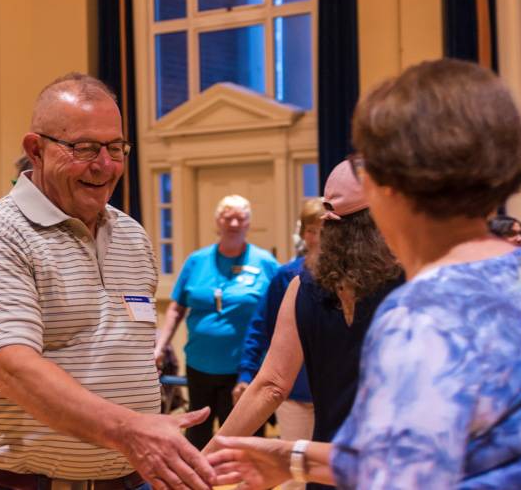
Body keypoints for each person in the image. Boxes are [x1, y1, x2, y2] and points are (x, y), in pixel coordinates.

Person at [207, 59, 521, 488]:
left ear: (394, 186)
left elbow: (398, 476)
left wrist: (287, 457)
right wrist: (288, 457)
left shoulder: (420, 314)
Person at [0, 72, 216, 490]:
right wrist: (130, 430)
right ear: (35, 150)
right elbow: (13, 369)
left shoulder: (130, 234)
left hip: (132, 477)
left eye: (115, 148)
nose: (105, 165)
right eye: (84, 148)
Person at [208, 161, 402, 490]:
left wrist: (207, 457)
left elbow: (270, 385)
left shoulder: (304, 284)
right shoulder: (414, 281)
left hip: (323, 469)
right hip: (392, 469)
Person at [154, 195, 280, 450]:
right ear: (217, 222)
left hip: (245, 369)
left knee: (244, 441)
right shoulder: (197, 261)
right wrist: (160, 347)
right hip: (200, 365)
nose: (233, 223)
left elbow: (283, 309)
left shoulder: (264, 262)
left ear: (248, 224)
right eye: (227, 217)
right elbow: (177, 308)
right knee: (198, 435)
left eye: (240, 218)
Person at [232, 198, 324, 490]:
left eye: (324, 229)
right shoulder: (287, 275)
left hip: (327, 393)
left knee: (321, 471)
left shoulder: (351, 277)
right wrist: (247, 373)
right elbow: (260, 327)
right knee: (293, 470)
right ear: (303, 233)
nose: (318, 236)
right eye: (311, 229)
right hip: (294, 392)